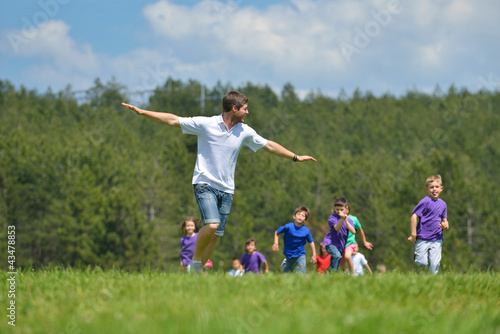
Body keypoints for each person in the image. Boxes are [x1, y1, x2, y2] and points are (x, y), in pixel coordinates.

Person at [122, 91, 316, 274]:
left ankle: (196, 273)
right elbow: (173, 119)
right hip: (204, 183)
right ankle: (195, 263)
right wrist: (142, 112)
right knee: (213, 225)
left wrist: (295, 157)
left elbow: (269, 145)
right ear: (234, 108)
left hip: (227, 190)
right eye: (245, 108)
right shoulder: (207, 124)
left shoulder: (244, 131)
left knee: (216, 234)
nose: (247, 112)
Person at [408, 174, 449, 274]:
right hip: (422, 237)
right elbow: (414, 216)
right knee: (422, 263)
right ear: (427, 189)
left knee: (435, 264)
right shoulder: (425, 202)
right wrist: (414, 234)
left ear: (441, 189)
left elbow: (444, 220)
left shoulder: (443, 204)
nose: (434, 189)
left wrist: (446, 225)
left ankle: (432, 282)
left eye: (437, 187)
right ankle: (418, 257)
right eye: (431, 187)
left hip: (437, 238)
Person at [272, 206, 317, 274]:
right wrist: (276, 243)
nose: (300, 216)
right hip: (289, 254)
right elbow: (277, 232)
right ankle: (285, 263)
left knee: (301, 272)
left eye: (303, 215)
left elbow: (311, 242)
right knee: (287, 273)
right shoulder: (288, 226)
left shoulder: (306, 231)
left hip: (300, 254)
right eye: (298, 214)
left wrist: (314, 255)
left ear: (305, 220)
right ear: (294, 216)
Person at [322, 197, 357, 274]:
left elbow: (353, 231)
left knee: (336, 261)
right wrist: (341, 219)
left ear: (346, 209)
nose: (339, 211)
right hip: (330, 242)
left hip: (340, 245)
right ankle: (333, 274)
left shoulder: (349, 220)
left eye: (341, 210)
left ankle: (326, 274)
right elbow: (337, 228)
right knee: (337, 256)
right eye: (337, 209)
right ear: (334, 208)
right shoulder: (333, 217)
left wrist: (347, 222)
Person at [339, 202, 373, 273]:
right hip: (340, 245)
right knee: (342, 266)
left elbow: (360, 229)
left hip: (350, 243)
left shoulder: (354, 219)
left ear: (348, 208)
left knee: (347, 257)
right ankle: (345, 277)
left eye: (345, 208)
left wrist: (364, 242)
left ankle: (352, 274)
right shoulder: (337, 219)